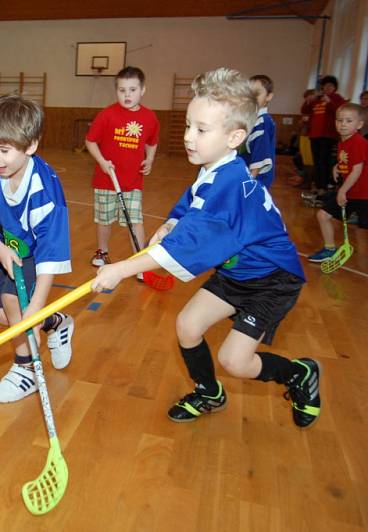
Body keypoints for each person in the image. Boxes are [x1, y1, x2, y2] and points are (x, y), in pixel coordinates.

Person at [91, 68, 321, 429]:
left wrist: (120, 269)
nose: (188, 137)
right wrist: (169, 222)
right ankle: (209, 392)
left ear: (235, 136)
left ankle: (298, 374)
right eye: (187, 126)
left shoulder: (228, 184)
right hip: (236, 273)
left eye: (201, 130)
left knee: (235, 360)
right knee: (187, 325)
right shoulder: (215, 169)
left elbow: (187, 245)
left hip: (271, 281)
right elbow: (189, 206)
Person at [0, 95, 75, 403]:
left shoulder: (46, 191)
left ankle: (25, 370)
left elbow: (51, 255)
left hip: (37, 251)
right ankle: (58, 323)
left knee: (13, 302)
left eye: (4, 150)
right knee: (3, 316)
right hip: (7, 246)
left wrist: (37, 303)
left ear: (30, 147)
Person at [85, 66, 159, 267]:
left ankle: (139, 261)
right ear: (116, 90)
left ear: (142, 90)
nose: (127, 95)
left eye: (132, 90)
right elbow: (90, 141)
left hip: (133, 180)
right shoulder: (107, 115)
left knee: (136, 220)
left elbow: (152, 142)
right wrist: (102, 162)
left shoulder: (149, 117)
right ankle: (102, 252)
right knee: (104, 220)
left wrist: (150, 159)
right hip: (106, 179)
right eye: (122, 90)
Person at [307, 103, 368, 262]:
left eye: (349, 121)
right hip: (352, 192)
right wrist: (337, 166)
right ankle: (329, 250)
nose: (343, 124)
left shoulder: (358, 142)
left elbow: (357, 170)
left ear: (359, 125)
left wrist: (342, 191)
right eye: (339, 120)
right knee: (323, 215)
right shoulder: (343, 141)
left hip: (363, 194)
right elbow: (349, 162)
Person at [302, 75, 345, 193]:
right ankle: (317, 185)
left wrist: (329, 102)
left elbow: (340, 112)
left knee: (323, 161)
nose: (327, 88)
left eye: (330, 86)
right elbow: (304, 111)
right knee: (316, 161)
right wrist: (308, 100)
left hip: (328, 136)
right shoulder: (318, 99)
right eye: (325, 86)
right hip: (314, 135)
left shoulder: (337, 98)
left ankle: (324, 186)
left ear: (334, 88)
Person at [242, 75, 276, 188]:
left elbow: (260, 154)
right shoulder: (253, 119)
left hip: (255, 179)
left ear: (269, 96)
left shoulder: (262, 122)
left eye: (256, 93)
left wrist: (250, 183)